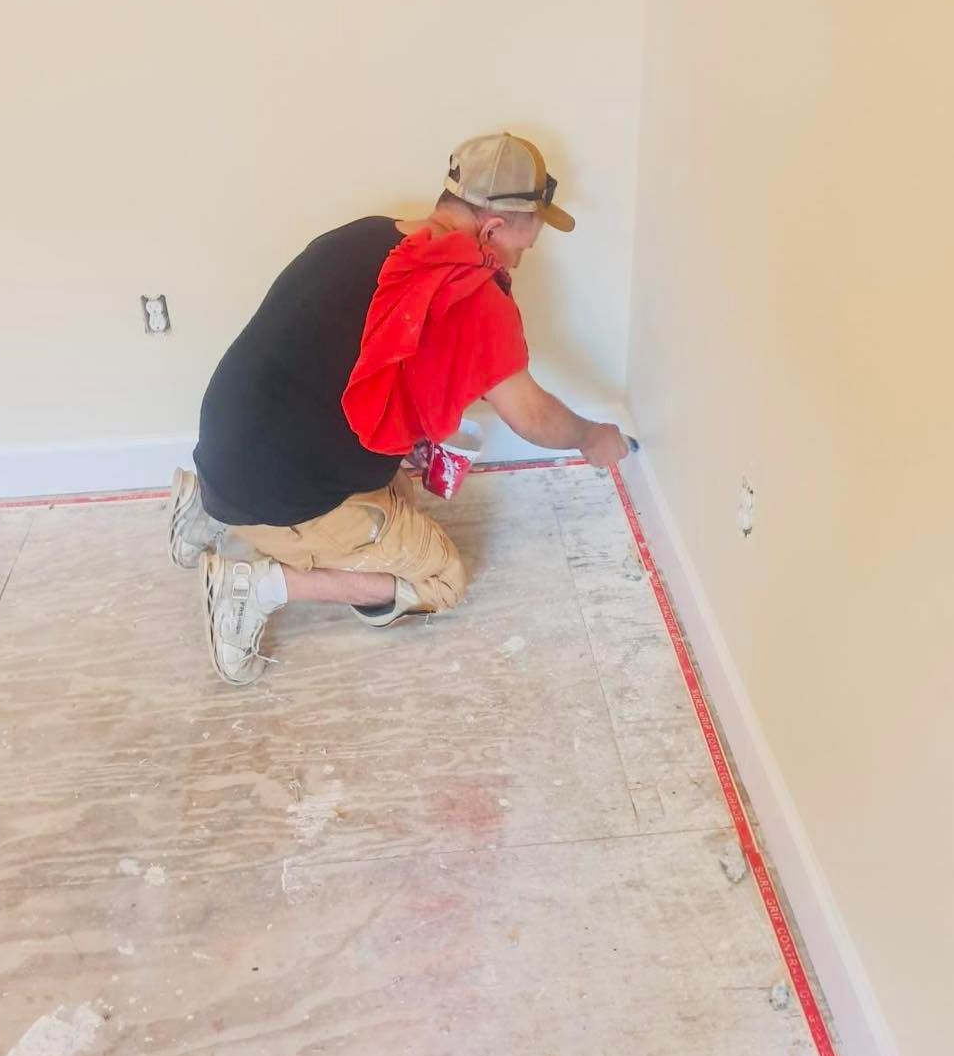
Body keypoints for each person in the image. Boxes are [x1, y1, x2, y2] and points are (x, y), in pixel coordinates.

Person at [167, 132, 630, 686]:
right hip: (276, 488)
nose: (519, 263)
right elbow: (531, 416)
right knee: (441, 579)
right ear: (491, 229)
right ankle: (256, 585)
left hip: (226, 443)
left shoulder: (366, 236)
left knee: (400, 496)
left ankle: (206, 506)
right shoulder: (471, 294)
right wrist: (590, 437)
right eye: (523, 248)